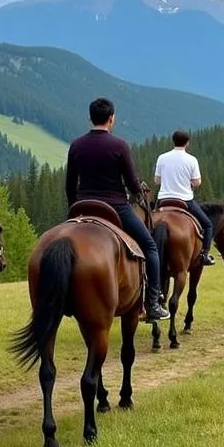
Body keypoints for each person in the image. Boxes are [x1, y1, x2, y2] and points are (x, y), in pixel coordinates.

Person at [64, 97, 168, 322]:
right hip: (116, 207)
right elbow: (131, 183)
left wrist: (74, 208)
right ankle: (152, 303)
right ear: (111, 119)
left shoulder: (76, 145)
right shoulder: (119, 145)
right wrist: (137, 190)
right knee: (150, 247)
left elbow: (69, 184)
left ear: (90, 118)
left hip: (83, 206)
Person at [155, 130, 215, 266]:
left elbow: (157, 181)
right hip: (185, 200)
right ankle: (204, 255)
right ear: (187, 143)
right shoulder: (192, 160)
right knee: (208, 224)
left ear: (173, 141)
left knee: (147, 223)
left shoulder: (162, 157)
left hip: (163, 200)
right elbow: (197, 182)